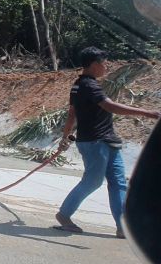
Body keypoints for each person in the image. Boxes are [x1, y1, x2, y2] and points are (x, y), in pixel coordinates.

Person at [56, 47, 160, 238]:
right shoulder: (89, 85)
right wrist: (146, 112)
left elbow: (72, 115)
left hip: (107, 141)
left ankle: (122, 227)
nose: (106, 66)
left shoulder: (78, 85)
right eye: (104, 63)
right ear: (95, 64)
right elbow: (109, 106)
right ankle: (64, 215)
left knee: (119, 184)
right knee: (93, 182)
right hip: (95, 142)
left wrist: (65, 137)